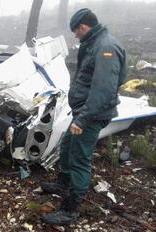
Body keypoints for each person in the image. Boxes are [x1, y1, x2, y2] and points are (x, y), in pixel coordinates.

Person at [40, 8, 126, 225]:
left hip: (90, 116)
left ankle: (70, 211)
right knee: (68, 147)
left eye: (75, 32)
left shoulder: (105, 48)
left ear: (83, 27)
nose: (75, 36)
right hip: (84, 112)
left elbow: (105, 90)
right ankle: (63, 184)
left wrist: (83, 119)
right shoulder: (95, 44)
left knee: (80, 159)